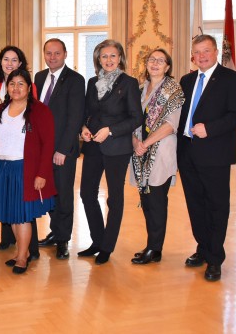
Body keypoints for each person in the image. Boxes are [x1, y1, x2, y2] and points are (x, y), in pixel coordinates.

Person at [177, 34, 236, 281]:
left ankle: (215, 258)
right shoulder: (186, 80)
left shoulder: (232, 79)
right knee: (195, 205)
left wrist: (210, 128)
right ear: (192, 56)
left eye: (206, 50)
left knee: (216, 206)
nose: (202, 56)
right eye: (197, 52)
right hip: (186, 154)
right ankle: (203, 247)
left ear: (216, 52)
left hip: (215, 154)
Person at [0, 70, 56, 274]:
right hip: (1, 168)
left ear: (29, 87)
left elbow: (48, 144)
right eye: (12, 83)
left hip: (24, 169)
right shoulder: (1, 110)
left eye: (20, 84)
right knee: (11, 213)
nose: (15, 88)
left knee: (22, 215)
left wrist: (41, 173)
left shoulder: (40, 111)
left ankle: (23, 257)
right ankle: (20, 252)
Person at [78, 39, 143, 265]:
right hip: (93, 145)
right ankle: (97, 240)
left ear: (120, 58)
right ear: (98, 59)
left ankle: (107, 246)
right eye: (104, 56)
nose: (108, 60)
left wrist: (111, 131)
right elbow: (87, 113)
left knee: (114, 199)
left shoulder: (129, 83)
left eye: (112, 56)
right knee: (86, 193)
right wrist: (84, 128)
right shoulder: (92, 82)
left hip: (117, 148)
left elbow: (136, 118)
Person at [129, 49, 184, 264]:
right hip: (140, 152)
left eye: (161, 61)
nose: (155, 63)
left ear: (167, 67)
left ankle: (154, 247)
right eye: (152, 60)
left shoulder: (173, 90)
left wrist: (145, 143)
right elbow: (133, 120)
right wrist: (136, 143)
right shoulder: (140, 89)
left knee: (157, 201)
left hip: (160, 152)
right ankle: (152, 246)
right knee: (146, 200)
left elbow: (171, 124)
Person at [34, 38, 85, 260]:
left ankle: (63, 240)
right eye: (48, 53)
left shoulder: (75, 80)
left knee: (63, 194)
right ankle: (55, 232)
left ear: (65, 54)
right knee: (48, 192)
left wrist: (63, 150)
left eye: (57, 53)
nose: (52, 57)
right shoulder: (39, 77)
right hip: (41, 148)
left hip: (62, 150)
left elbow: (75, 118)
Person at [0, 46, 39, 257]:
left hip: (22, 153)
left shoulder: (30, 87)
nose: (9, 63)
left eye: (14, 60)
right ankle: (8, 239)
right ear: (0, 62)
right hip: (2, 148)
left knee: (24, 206)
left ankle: (30, 250)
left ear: (20, 63)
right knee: (7, 199)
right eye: (6, 59)